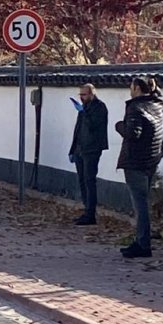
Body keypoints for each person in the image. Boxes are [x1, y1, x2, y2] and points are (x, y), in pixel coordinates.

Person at [115, 78, 163, 259]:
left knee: (140, 204)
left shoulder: (135, 108)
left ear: (136, 88)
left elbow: (133, 134)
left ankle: (143, 244)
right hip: (152, 158)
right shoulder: (158, 104)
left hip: (135, 161)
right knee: (144, 201)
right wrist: (155, 87)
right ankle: (141, 240)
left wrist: (119, 126)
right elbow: (162, 97)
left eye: (131, 87)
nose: (130, 90)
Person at [68, 83, 109, 225]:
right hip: (80, 148)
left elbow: (93, 126)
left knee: (89, 180)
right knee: (82, 180)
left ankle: (91, 213)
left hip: (92, 149)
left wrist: (83, 113)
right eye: (80, 94)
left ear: (91, 94)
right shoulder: (84, 108)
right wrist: (72, 149)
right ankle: (86, 210)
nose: (81, 97)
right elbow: (78, 130)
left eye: (84, 94)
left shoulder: (99, 107)